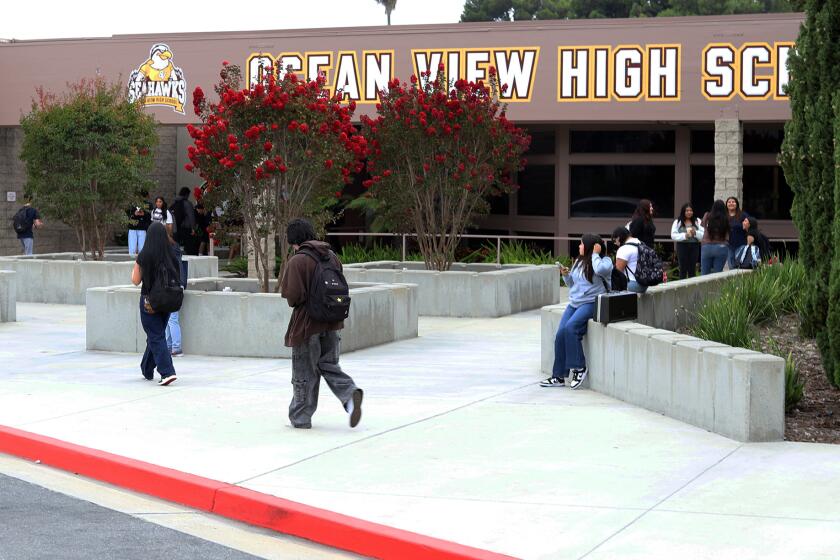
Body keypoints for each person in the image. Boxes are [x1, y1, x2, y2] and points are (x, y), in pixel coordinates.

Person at [279, 218, 363, 429]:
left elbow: (293, 296)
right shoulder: (331, 256)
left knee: (303, 373)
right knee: (329, 364)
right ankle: (349, 394)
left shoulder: (298, 261)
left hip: (307, 325)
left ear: (293, 240)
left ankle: (300, 417)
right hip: (333, 322)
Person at [541, 234, 613, 390]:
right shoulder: (579, 262)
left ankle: (580, 367)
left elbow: (600, 270)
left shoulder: (605, 261)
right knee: (560, 334)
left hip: (591, 303)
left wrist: (595, 254)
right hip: (575, 303)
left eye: (581, 244)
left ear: (590, 246)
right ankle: (558, 376)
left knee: (571, 328)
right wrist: (566, 275)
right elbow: (573, 284)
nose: (579, 247)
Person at [131, 222, 178, 386]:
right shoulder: (172, 253)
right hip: (167, 301)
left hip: (149, 301)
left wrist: (137, 262)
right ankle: (146, 368)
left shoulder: (145, 255)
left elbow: (135, 280)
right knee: (156, 334)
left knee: (156, 335)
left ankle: (167, 372)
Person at [165, 232, 188, 358]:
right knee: (169, 319)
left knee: (172, 319)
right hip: (177, 286)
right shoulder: (176, 250)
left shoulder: (169, 253)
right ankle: (170, 346)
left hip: (172, 287)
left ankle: (176, 347)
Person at [671, 203, 704, 279]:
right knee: (682, 268)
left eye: (691, 210)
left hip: (694, 246)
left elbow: (703, 234)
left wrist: (695, 233)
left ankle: (691, 288)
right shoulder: (677, 221)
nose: (689, 212)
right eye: (687, 211)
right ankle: (681, 288)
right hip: (682, 246)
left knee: (692, 268)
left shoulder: (697, 221)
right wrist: (684, 236)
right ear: (683, 212)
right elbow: (673, 235)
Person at [615, 220, 648, 293]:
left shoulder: (624, 249)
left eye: (615, 240)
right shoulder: (641, 244)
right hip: (644, 284)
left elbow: (618, 272)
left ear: (618, 238)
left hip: (633, 285)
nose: (615, 243)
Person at [701, 199, 730, 275]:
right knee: (718, 274)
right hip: (722, 247)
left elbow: (703, 226)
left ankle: (704, 287)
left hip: (707, 246)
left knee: (704, 273)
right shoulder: (727, 218)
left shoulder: (707, 215)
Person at [725, 196, 750, 269]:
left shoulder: (743, 215)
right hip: (729, 245)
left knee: (740, 266)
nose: (731, 203)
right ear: (726, 204)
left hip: (741, 244)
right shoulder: (724, 216)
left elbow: (749, 227)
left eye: (733, 202)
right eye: (729, 202)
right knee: (731, 266)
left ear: (737, 204)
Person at [171, 187, 197, 253]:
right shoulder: (187, 203)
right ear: (187, 194)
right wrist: (193, 228)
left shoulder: (175, 203)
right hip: (186, 227)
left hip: (177, 227)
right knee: (189, 246)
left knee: (177, 245)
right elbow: (191, 216)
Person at [126, 191, 151, 256]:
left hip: (143, 227)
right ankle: (131, 262)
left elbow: (150, 216)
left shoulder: (148, 204)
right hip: (133, 227)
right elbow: (127, 213)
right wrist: (134, 214)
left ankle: (141, 264)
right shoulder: (132, 204)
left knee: (142, 248)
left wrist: (144, 214)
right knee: (132, 248)